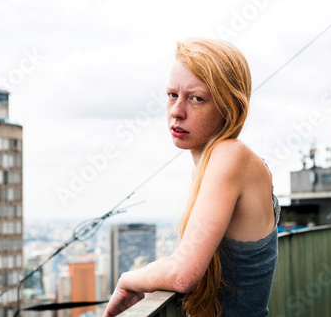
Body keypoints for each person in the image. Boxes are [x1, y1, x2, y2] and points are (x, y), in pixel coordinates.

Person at [103, 38, 280, 317]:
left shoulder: (230, 155)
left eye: (196, 98)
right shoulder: (225, 161)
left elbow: (183, 273)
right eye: (172, 95)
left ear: (229, 106)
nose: (177, 111)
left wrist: (128, 279)